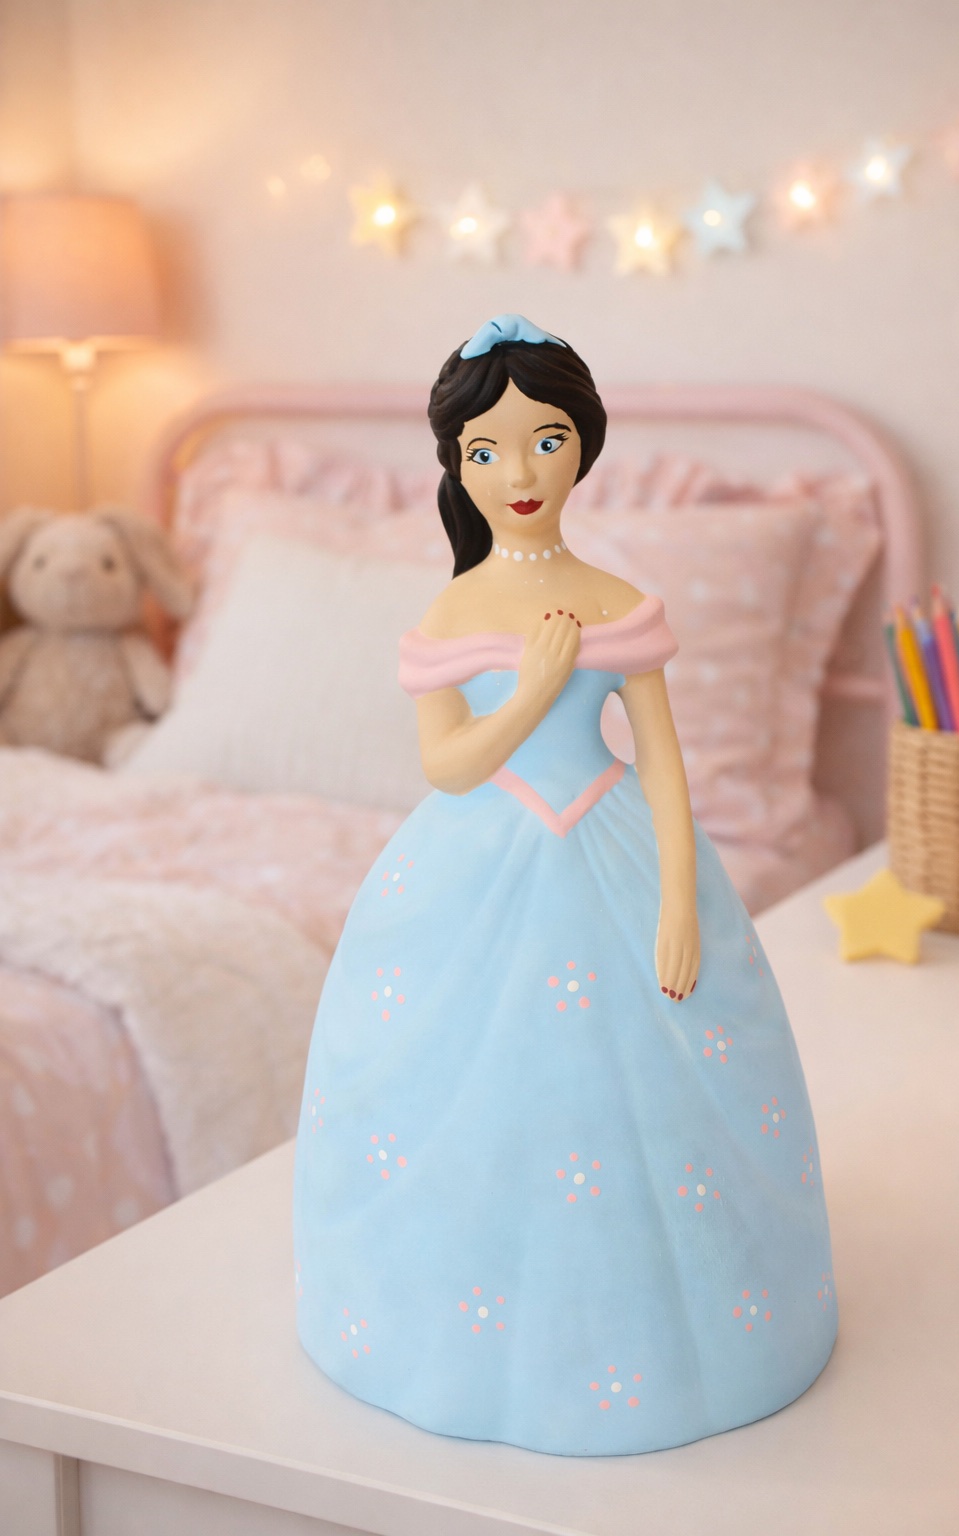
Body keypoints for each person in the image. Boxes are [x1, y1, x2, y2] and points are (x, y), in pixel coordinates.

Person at [294, 314, 837, 1456]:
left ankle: (676, 1329)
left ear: (582, 445)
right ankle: (452, 1325)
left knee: (646, 1083)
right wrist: (535, 688)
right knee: (473, 1081)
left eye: (544, 440)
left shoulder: (616, 599)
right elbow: (450, 767)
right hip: (475, 863)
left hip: (613, 845)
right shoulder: (450, 612)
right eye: (485, 450)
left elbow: (664, 763)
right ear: (456, 466)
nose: (519, 472)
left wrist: (680, 900)